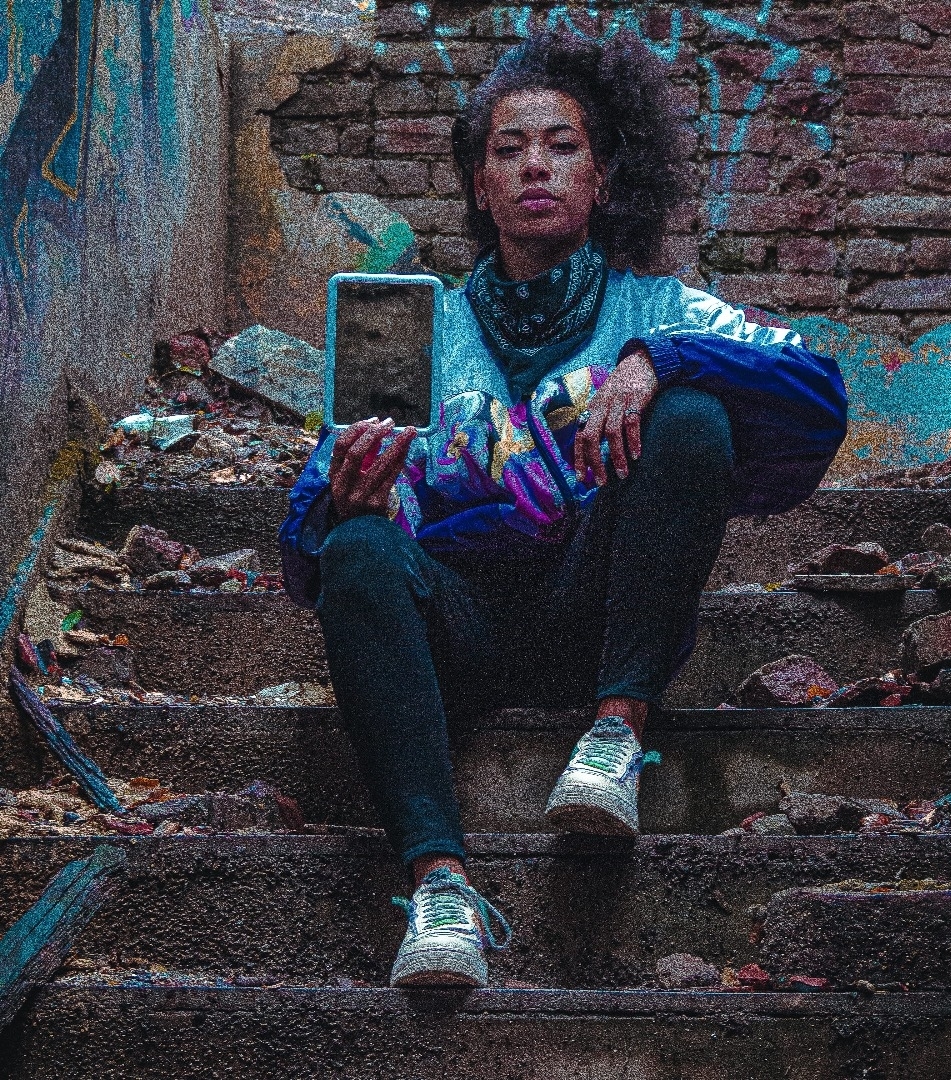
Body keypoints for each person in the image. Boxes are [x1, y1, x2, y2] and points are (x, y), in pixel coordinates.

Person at [280, 31, 848, 990]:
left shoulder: (656, 310)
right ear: (480, 185)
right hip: (457, 636)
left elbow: (819, 392)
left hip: (601, 622)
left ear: (603, 177)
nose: (534, 166)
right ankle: (441, 891)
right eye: (508, 150)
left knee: (693, 414)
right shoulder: (420, 329)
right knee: (359, 548)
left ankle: (617, 736)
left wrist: (662, 360)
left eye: (562, 146)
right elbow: (306, 550)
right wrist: (343, 505)